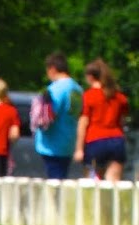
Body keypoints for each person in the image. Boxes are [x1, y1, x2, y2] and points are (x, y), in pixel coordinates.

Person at [75, 58, 129, 181]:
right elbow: (122, 121)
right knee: (113, 184)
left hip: (95, 142)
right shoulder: (119, 97)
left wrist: (79, 149)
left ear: (90, 77)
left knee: (93, 185)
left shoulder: (88, 96)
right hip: (116, 142)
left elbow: (83, 123)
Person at [35, 52, 83, 181]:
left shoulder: (55, 89)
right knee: (62, 177)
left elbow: (47, 117)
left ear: (52, 69)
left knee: (55, 184)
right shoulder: (78, 89)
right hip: (68, 142)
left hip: (52, 145)